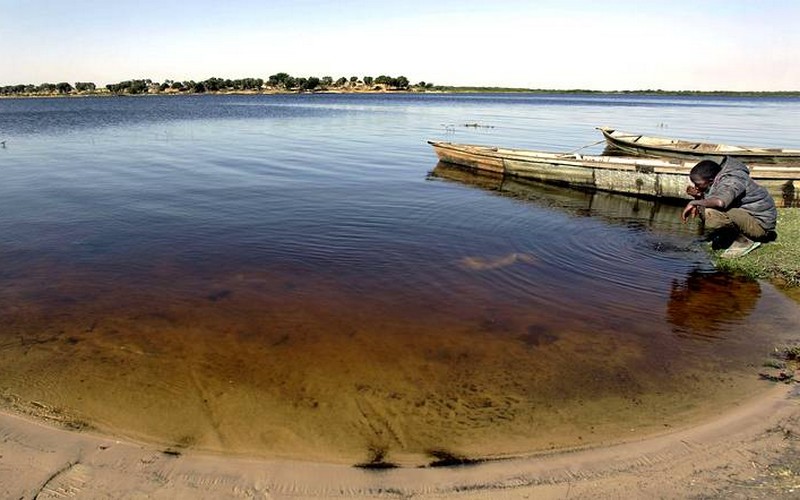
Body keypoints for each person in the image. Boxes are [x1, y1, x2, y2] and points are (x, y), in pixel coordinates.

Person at [681, 156, 777, 258]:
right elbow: (710, 202)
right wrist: (699, 197)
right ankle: (729, 236)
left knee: (711, 213)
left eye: (698, 184)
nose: (695, 187)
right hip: (745, 218)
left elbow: (720, 202)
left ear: (711, 180)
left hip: (760, 226)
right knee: (706, 209)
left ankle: (744, 241)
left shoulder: (733, 180)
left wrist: (693, 202)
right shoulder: (718, 179)